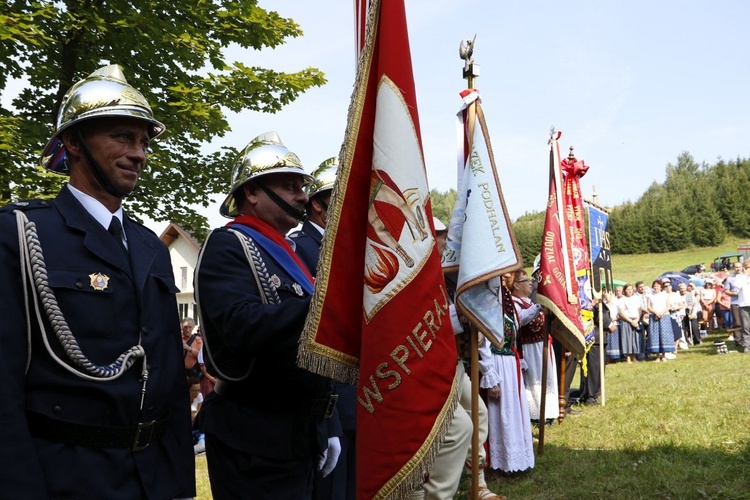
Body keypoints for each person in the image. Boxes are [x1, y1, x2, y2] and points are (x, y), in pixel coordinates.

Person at [0, 65, 195, 498]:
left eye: (144, 141)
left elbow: (169, 381)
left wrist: (180, 482)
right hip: (68, 476)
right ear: (73, 142)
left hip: (153, 478)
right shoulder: (21, 234)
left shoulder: (150, 245)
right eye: (122, 137)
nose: (139, 153)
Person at [194, 132, 341, 499]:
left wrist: (327, 423)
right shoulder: (229, 244)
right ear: (253, 193)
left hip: (298, 429)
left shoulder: (290, 253)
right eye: (289, 186)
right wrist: (328, 302)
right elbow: (240, 327)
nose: (303, 197)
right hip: (254, 435)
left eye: (301, 187)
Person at [409, 218, 504, 500]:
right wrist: (464, 316)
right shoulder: (416, 272)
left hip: (452, 360)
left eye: (444, 235)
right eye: (440, 235)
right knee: (455, 427)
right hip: (425, 366)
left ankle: (478, 481)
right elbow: (425, 324)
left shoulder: (445, 273)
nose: (445, 242)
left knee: (479, 413)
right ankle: (429, 491)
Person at [289, 157, 356, 500]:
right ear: (318, 203)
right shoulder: (300, 247)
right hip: (329, 393)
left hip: (353, 389)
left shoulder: (342, 249)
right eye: (340, 199)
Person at [478, 276, 535, 474]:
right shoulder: (486, 304)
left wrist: (541, 305)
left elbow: (519, 320)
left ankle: (516, 460)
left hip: (510, 363)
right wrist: (490, 374)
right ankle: (500, 462)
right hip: (497, 362)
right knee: (500, 411)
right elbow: (482, 342)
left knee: (513, 409)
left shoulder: (507, 303)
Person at [510, 269, 559, 423]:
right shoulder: (514, 302)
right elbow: (521, 319)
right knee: (534, 381)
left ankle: (549, 412)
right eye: (526, 280)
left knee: (546, 378)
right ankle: (536, 414)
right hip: (528, 347)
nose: (530, 283)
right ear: (516, 285)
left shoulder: (528, 302)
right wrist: (538, 306)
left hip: (541, 345)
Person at [646, 280, 675, 362]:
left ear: (661, 287)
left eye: (657, 286)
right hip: (653, 316)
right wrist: (656, 313)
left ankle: (664, 355)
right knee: (655, 335)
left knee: (664, 335)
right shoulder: (650, 296)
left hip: (664, 316)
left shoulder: (665, 295)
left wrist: (661, 313)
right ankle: (657, 356)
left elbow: (668, 306)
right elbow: (648, 307)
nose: (656, 287)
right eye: (654, 286)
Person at [618, 284, 642, 364]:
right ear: (624, 291)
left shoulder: (636, 298)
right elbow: (621, 313)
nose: (629, 291)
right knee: (627, 339)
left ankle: (634, 356)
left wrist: (637, 320)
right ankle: (628, 357)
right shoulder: (622, 299)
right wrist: (631, 321)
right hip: (627, 320)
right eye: (628, 289)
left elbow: (639, 310)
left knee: (635, 339)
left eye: (631, 289)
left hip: (636, 319)